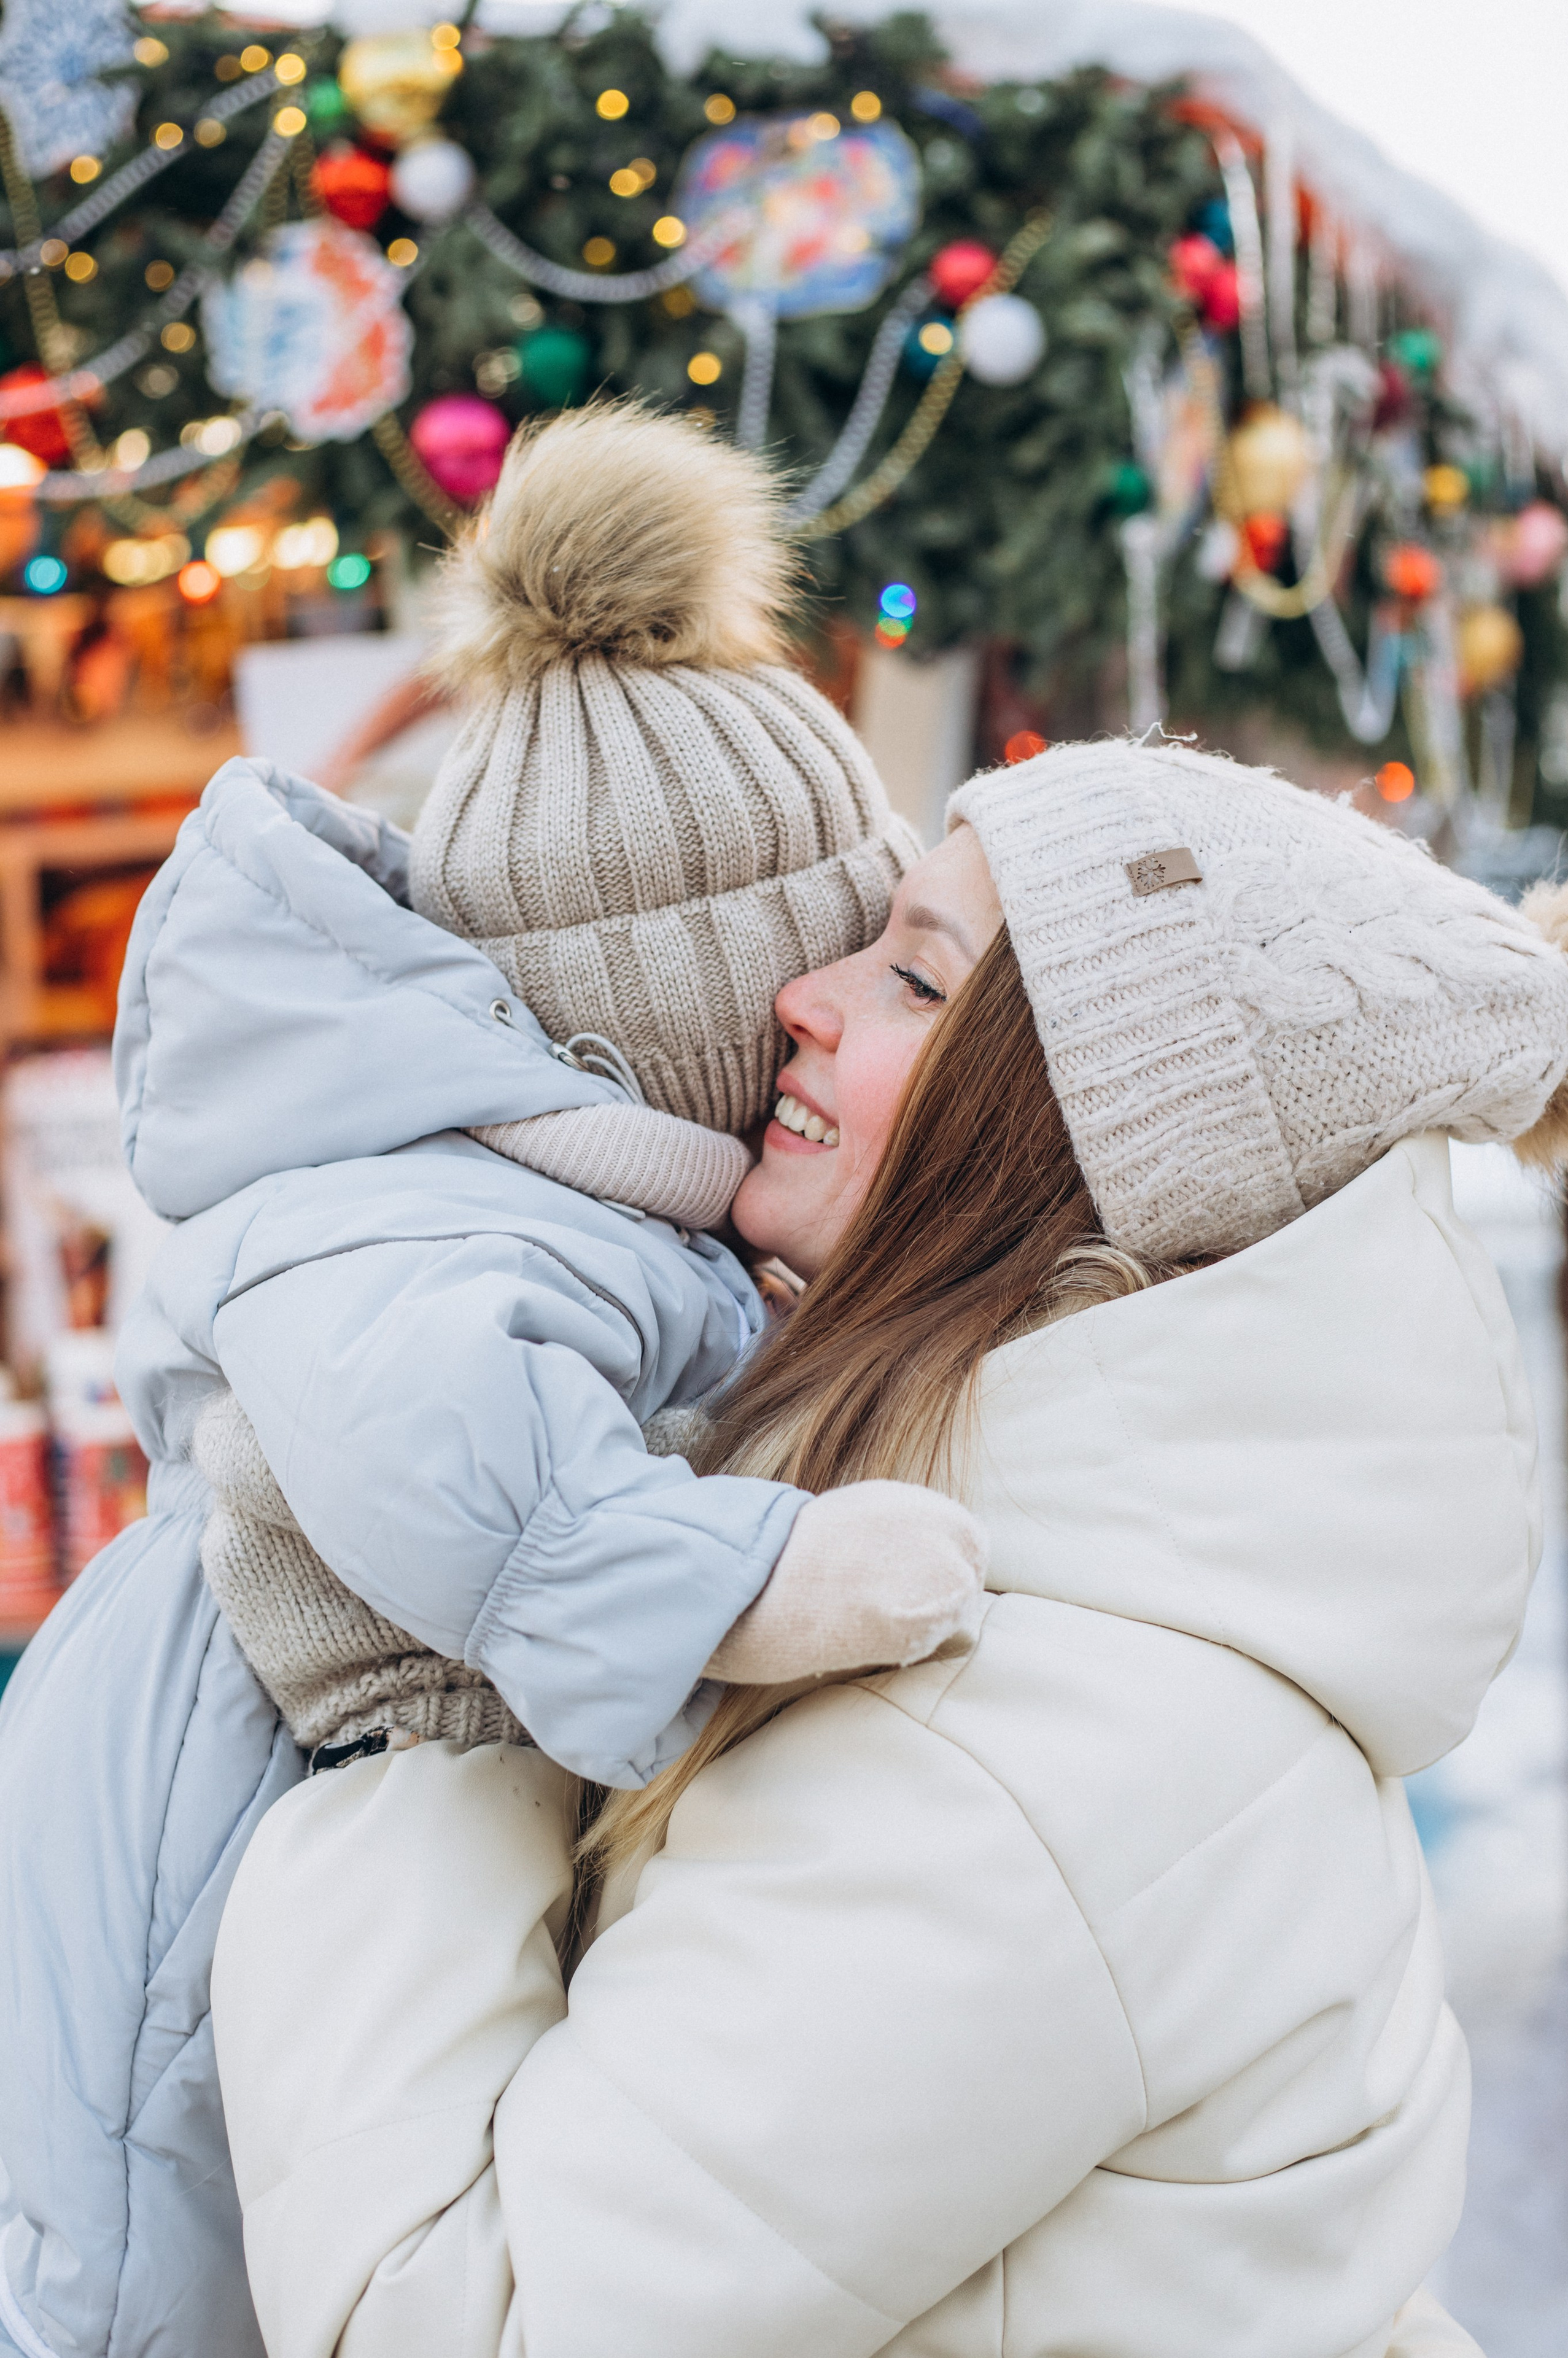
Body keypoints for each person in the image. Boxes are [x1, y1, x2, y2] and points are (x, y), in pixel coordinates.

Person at [211, 734, 1568, 2358]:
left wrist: (416, 1710)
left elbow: (454, 2326)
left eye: (917, 978)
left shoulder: (1026, 1765)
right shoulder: (1071, 1622)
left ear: (1070, 1146)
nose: (805, 991)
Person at [0, 407, 985, 2358]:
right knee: (144, 2241)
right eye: (835, 952)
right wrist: (739, 1579)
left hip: (268, 1788)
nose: (838, 1007)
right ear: (696, 1005)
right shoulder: (464, 1208)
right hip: (190, 1817)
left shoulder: (598, 1189)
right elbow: (427, 1422)